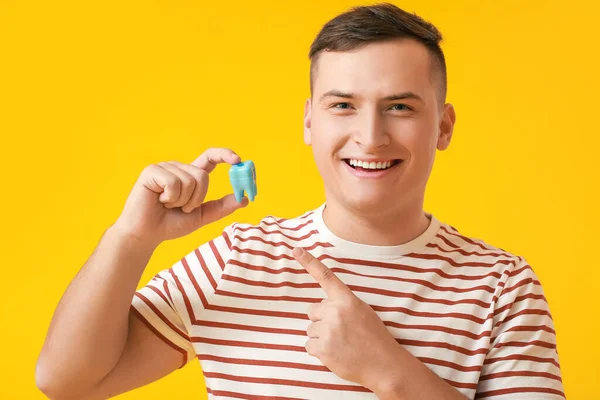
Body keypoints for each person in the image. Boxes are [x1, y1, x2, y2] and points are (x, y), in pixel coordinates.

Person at [36, 3, 564, 399]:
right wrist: (131, 238)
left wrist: (388, 370)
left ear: (443, 126)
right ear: (310, 122)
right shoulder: (238, 257)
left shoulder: (503, 286)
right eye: (343, 105)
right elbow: (67, 382)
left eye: (399, 106)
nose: (370, 136)